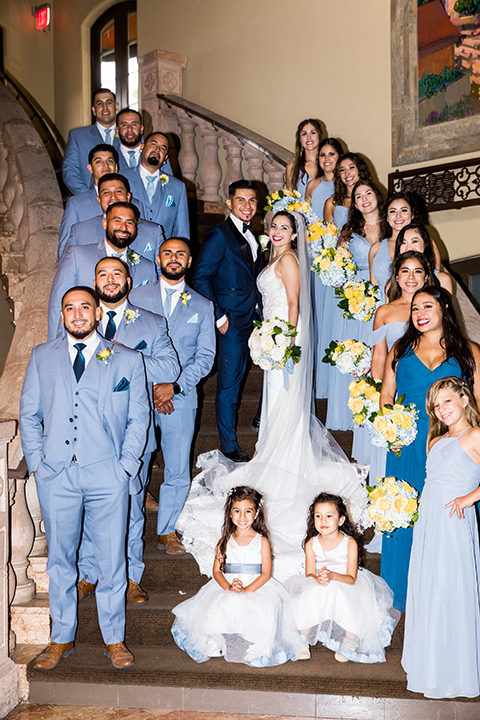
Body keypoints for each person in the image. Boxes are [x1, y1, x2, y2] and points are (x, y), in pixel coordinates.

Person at [177, 211, 368, 583]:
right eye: (274, 227)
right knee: (276, 411)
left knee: (285, 410)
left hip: (286, 347)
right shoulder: (273, 258)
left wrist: (285, 345)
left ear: (294, 234)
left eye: (285, 227)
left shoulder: (291, 260)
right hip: (274, 342)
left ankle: (287, 464)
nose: (278, 231)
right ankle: (273, 453)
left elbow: (294, 305)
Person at [20, 286, 149, 670]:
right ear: (62, 315)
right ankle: (62, 638)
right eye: (69, 308)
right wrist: (39, 464)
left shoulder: (127, 359)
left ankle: (114, 639)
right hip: (56, 474)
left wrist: (125, 466)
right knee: (60, 561)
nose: (77, 314)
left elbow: (138, 417)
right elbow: (29, 414)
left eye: (84, 308)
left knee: (111, 561)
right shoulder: (42, 356)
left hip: (107, 472)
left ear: (97, 313)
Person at [76, 257, 180, 606]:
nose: (109, 280)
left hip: (133, 432)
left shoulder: (151, 323)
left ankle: (131, 576)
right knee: (90, 506)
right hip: (88, 433)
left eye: (116, 274)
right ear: (94, 280)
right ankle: (89, 572)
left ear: (129, 281)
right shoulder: (79, 320)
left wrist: (121, 355)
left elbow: (169, 365)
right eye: (102, 274)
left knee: (133, 506)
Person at [379, 286, 480, 611]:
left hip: (454, 446)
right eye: (415, 308)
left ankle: (452, 596)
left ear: (444, 307)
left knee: (451, 515)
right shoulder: (401, 347)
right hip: (406, 446)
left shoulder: (469, 351)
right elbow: (386, 396)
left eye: (427, 305)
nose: (420, 312)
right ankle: (401, 594)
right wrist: (389, 427)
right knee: (405, 515)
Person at [130, 238, 216, 554]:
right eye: (168, 253)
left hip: (181, 396)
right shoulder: (135, 298)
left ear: (190, 261)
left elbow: (205, 357)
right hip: (139, 394)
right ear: (157, 258)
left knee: (178, 468)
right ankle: (129, 525)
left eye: (181, 253)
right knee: (135, 462)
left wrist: (174, 387)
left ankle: (167, 530)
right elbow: (126, 348)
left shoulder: (202, 306)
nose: (174, 258)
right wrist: (153, 386)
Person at [402, 377, 480, 699]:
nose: (441, 408)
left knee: (451, 589)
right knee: (431, 588)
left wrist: (470, 497)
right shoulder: (434, 440)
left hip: (453, 521)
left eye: (447, 400)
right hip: (430, 521)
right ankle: (433, 668)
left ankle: (456, 673)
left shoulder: (475, 435)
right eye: (436, 404)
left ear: (464, 399)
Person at [171, 486, 302, 666]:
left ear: (256, 514)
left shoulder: (262, 541)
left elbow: (265, 573)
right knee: (217, 606)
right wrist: (228, 587)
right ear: (230, 514)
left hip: (256, 585)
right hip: (228, 583)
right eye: (237, 511)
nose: (242, 517)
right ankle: (214, 641)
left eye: (248, 511)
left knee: (263, 608)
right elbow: (216, 571)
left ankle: (258, 646)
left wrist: (247, 589)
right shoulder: (224, 542)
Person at [192, 179, 263, 462]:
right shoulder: (219, 235)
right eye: (241, 201)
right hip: (230, 320)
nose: (247, 206)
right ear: (229, 204)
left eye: (252, 201)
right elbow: (200, 277)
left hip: (252, 318)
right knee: (230, 384)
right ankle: (229, 445)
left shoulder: (253, 234)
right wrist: (218, 314)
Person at [287, 493, 399, 663]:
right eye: (318, 516)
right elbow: (309, 573)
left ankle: (351, 638)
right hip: (322, 579)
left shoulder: (350, 543)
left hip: (345, 580)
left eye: (329, 516)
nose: (323, 520)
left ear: (341, 520)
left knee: (344, 595)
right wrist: (318, 579)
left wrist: (332, 576)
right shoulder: (311, 543)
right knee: (309, 594)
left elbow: (351, 578)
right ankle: (302, 639)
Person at [48, 202, 158, 340]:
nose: (123, 227)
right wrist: (56, 344)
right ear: (105, 223)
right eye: (117, 221)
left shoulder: (148, 267)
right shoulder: (77, 255)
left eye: (129, 223)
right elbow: (58, 302)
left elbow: (150, 314)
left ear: (135, 228)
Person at [325, 180, 384, 432]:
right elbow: (338, 266)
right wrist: (348, 295)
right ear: (355, 203)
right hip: (359, 295)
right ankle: (355, 410)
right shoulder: (349, 230)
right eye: (358, 196)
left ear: (377, 196)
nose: (364, 199)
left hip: (388, 290)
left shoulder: (393, 226)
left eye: (368, 193)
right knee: (359, 352)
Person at [316, 153, 371, 400]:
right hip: (342, 274)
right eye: (342, 170)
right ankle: (340, 392)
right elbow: (328, 240)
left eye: (352, 167)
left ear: (361, 169)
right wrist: (334, 268)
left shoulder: (370, 198)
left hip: (367, 271)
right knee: (341, 331)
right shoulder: (332, 202)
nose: (348, 173)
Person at [61, 173, 165, 262]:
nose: (113, 197)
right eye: (106, 193)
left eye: (118, 191)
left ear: (128, 197)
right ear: (99, 199)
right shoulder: (80, 232)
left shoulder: (154, 232)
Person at [123, 132, 189, 238]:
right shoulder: (122, 178)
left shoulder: (178, 187)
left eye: (163, 148)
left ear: (165, 158)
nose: (157, 150)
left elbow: (182, 231)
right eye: (153, 144)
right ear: (142, 147)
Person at [59, 144, 120, 252]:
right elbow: (65, 246)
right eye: (99, 162)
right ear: (90, 168)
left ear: (116, 167)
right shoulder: (76, 205)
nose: (105, 165)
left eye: (110, 161)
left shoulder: (134, 203)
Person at [62, 88, 119, 195]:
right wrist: (89, 196)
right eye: (100, 103)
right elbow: (70, 172)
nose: (105, 107)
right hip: (89, 201)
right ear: (93, 110)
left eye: (109, 102)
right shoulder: (77, 136)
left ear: (116, 107)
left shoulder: (130, 135)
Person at [391, 224, 452, 295]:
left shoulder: (442, 280)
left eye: (414, 241)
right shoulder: (392, 283)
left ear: (425, 244)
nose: (408, 248)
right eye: (403, 243)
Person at [115, 108, 173, 175]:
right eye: (124, 125)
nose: (129, 129)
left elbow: (168, 181)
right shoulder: (111, 155)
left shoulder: (157, 154)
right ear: (117, 130)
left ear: (141, 128)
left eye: (134, 125)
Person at [305, 138, 343, 219]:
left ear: (339, 156)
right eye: (322, 155)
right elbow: (305, 217)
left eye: (331, 154)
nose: (326, 159)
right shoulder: (312, 185)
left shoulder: (347, 184)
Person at [285, 118, 322, 198]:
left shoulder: (328, 164)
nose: (309, 137)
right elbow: (290, 199)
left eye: (313, 133)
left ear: (319, 136)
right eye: (304, 134)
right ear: (299, 139)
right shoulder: (292, 167)